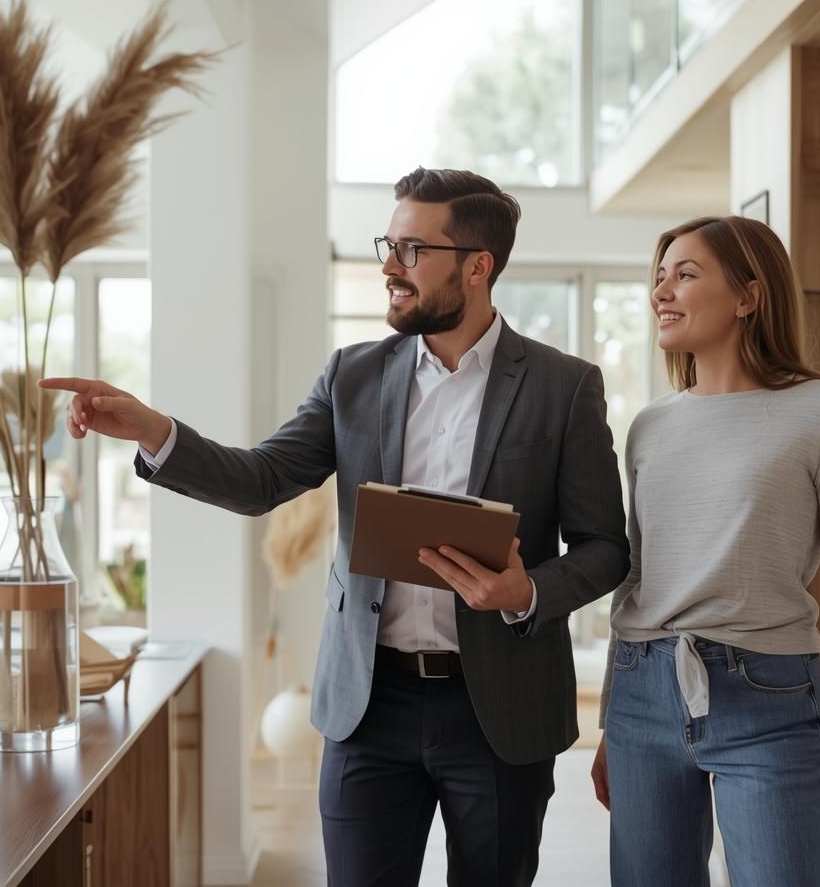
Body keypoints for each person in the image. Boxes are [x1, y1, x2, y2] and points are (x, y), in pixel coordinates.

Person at [42, 167, 629, 887]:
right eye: (389, 244)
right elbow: (260, 479)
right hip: (368, 706)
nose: (389, 266)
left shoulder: (563, 386)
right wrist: (152, 429)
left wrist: (526, 592)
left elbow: (606, 548)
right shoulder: (352, 375)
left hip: (501, 711)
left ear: (478, 267)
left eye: (413, 250)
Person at [588, 215, 820, 886]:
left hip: (770, 697)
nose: (661, 292)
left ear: (748, 296)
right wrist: (613, 721)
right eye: (660, 277)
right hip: (644, 692)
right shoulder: (651, 425)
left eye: (685, 274)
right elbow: (636, 579)